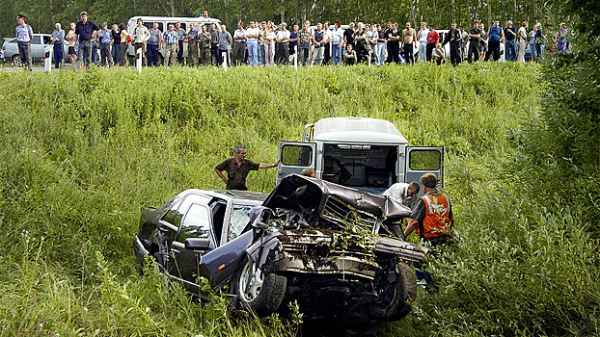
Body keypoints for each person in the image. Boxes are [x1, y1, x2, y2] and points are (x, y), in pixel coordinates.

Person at [404, 173, 453, 245]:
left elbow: (414, 223)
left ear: (424, 186)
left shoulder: (424, 200)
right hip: (445, 238)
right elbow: (451, 218)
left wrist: (403, 236)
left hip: (430, 240)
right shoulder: (445, 198)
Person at [214, 145, 279, 191]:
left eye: (245, 153)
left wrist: (273, 165)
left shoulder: (248, 163)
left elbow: (260, 165)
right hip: (230, 189)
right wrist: (224, 179)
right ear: (237, 154)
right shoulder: (229, 162)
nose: (244, 155)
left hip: (242, 189)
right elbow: (217, 169)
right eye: (242, 153)